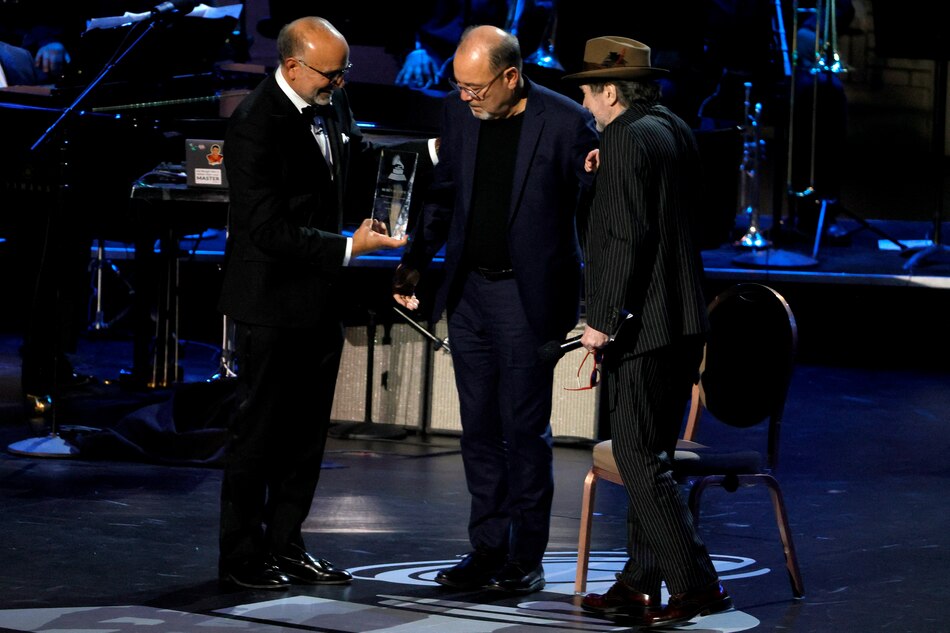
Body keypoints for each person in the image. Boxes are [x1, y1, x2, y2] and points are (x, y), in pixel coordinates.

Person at [216, 16, 430, 591]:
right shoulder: (254, 123)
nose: (340, 83)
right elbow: (266, 230)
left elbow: (358, 161)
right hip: (270, 304)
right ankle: (242, 557)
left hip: (319, 301)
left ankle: (286, 545)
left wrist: (429, 151)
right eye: (331, 74)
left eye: (344, 72)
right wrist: (349, 247)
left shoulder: (331, 100)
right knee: (259, 435)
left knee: (306, 436)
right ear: (292, 66)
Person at [392, 24, 598, 595]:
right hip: (469, 293)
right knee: (478, 428)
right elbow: (443, 195)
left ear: (511, 76)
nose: (466, 97)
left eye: (476, 88)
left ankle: (524, 557)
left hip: (526, 298)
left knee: (522, 429)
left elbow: (595, 212)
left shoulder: (565, 122)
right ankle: (486, 548)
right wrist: (416, 260)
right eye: (459, 86)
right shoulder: (458, 113)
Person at [561, 37, 732, 627]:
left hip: (646, 325)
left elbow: (626, 235)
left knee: (638, 456)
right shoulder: (670, 128)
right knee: (650, 454)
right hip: (682, 320)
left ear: (610, 90)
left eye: (588, 92)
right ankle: (639, 581)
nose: (586, 105)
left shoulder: (626, 138)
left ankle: (696, 584)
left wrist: (602, 319)